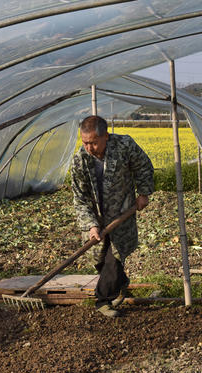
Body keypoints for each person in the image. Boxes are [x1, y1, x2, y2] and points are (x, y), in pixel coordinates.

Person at [71, 115, 154, 317]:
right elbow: (80, 197)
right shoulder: (80, 160)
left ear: (105, 136)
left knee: (114, 258)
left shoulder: (124, 145)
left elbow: (143, 166)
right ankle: (121, 282)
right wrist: (91, 225)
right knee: (99, 258)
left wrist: (143, 193)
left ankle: (103, 301)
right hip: (96, 217)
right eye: (85, 142)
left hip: (121, 212)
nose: (89, 147)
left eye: (93, 142)